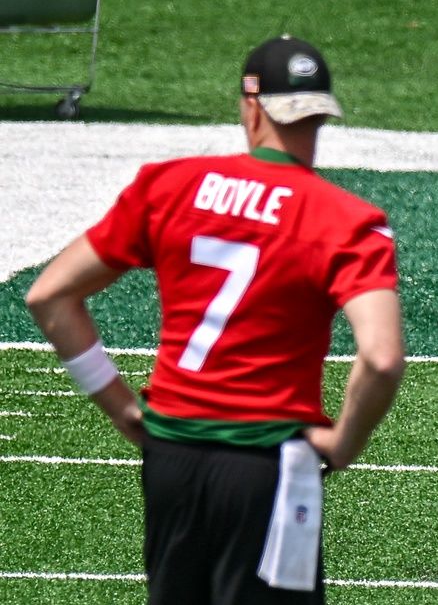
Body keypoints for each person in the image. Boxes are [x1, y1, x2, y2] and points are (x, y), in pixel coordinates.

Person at [25, 35, 406, 604]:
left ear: (251, 107)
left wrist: (120, 403)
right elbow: (380, 358)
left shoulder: (168, 186)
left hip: (172, 456)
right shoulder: (347, 220)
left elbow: (50, 296)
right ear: (322, 114)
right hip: (269, 466)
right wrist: (345, 442)